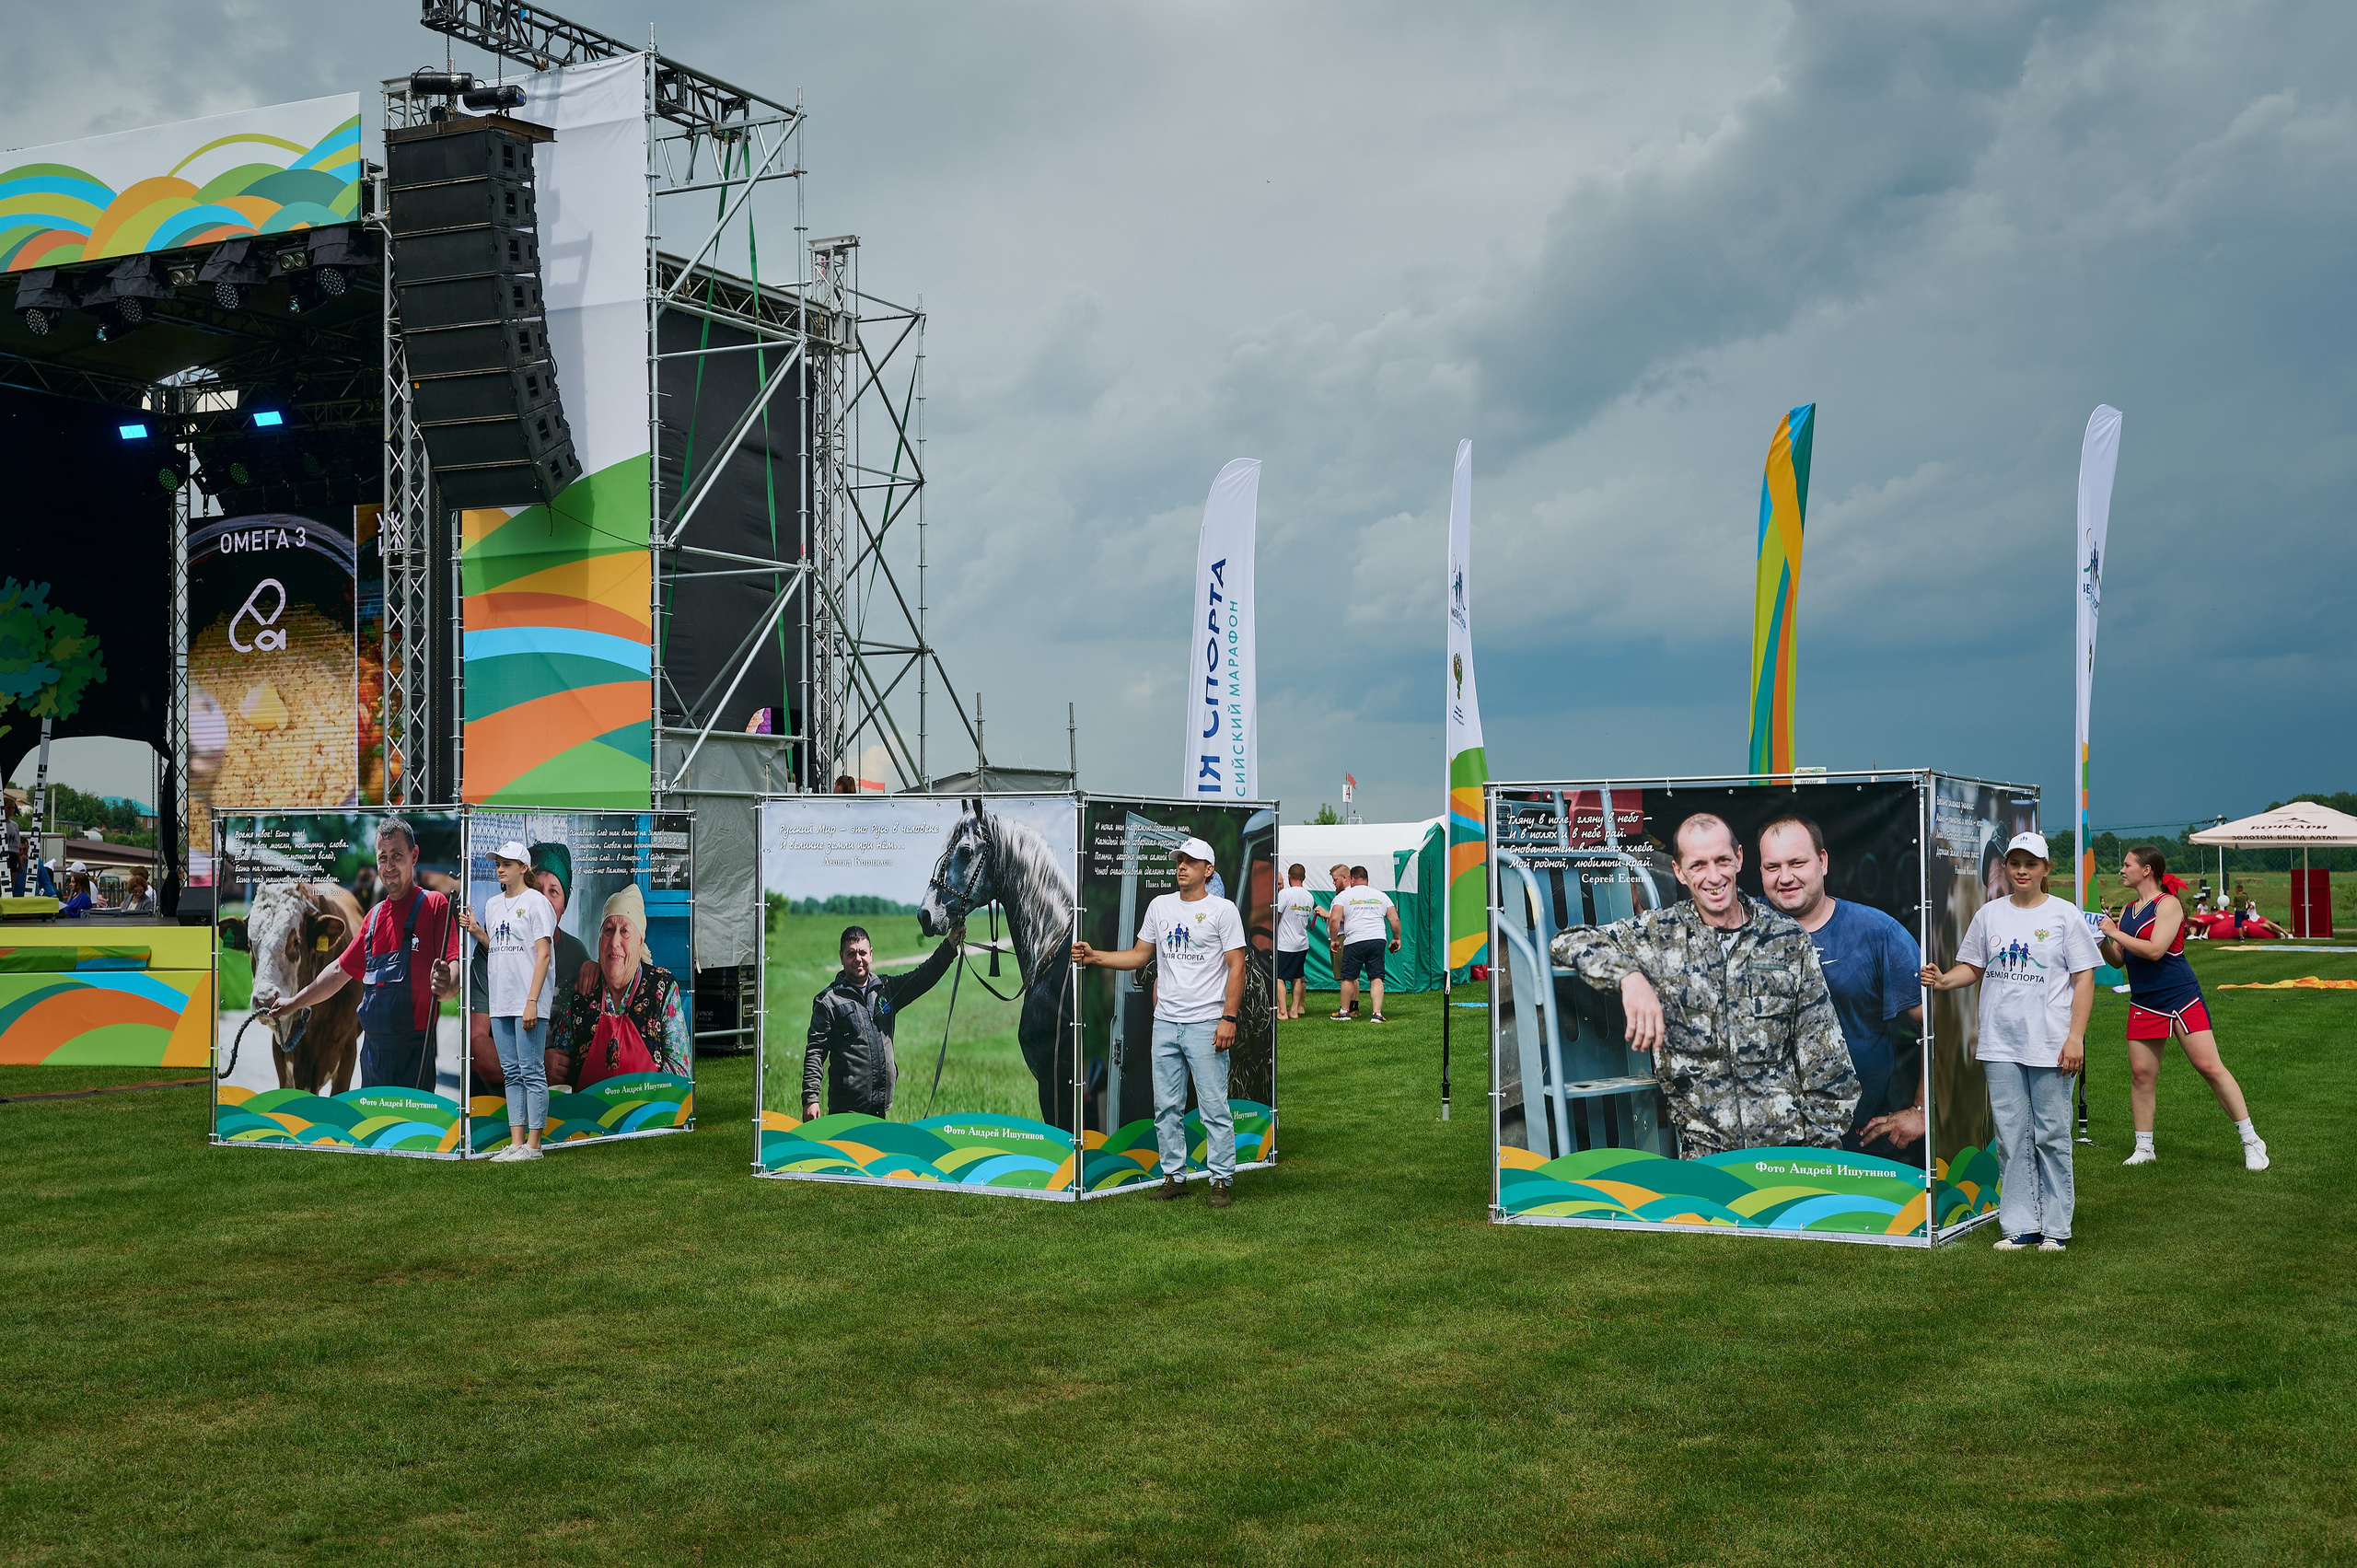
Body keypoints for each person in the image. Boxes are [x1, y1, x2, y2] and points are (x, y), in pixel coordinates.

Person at [1555, 814, 1856, 1156]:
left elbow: (1829, 1069)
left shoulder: (1787, 940)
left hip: (1786, 1156)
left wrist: (1815, 1157)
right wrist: (1629, 978)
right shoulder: (1660, 935)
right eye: (1698, 865)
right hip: (1705, 1163)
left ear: (1739, 859)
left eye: (1722, 861)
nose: (1714, 877)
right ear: (1679, 872)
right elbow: (1570, 940)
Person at [1922, 831, 2099, 1253]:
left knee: (2052, 1135)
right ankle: (2020, 1224)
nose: (2021, 871)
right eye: (2014, 864)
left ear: (2045, 869)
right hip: (2000, 1045)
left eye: (2031, 864)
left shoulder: (2064, 915)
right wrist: (1945, 980)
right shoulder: (1989, 915)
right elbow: (1973, 966)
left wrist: (2076, 1037)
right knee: (2011, 1136)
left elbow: (2085, 978)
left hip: (2052, 1045)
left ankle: (2056, 1227)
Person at [1074, 837, 1247, 1207]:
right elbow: (1139, 956)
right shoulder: (1159, 906)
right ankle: (1174, 1176)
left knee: (1214, 1106)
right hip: (1166, 1023)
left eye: (1190, 861)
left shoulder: (1223, 910)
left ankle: (1221, 1180)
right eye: (1179, 860)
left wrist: (1228, 1018)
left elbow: (1237, 966)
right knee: (1166, 1106)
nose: (1181, 866)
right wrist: (1094, 957)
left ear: (1208, 870)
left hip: (1206, 1023)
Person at [1755, 816, 1926, 1160]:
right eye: (1772, 866)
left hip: (1854, 1145)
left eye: (1797, 863)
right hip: (1762, 1144)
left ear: (1822, 861)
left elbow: (1940, 1023)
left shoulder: (1879, 933)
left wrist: (1921, 1111)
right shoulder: (1738, 931)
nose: (1785, 877)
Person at [256, 818, 460, 1091]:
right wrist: (293, 1003)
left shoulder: (435, 905)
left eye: (397, 856)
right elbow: (339, 972)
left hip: (415, 1054)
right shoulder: (373, 919)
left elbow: (453, 972)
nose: (389, 866)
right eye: (383, 857)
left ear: (414, 856)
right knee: (371, 1131)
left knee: (410, 1133)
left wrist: (447, 983)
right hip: (373, 1056)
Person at [2098, 846, 2268, 1171]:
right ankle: (2144, 1147)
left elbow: (2155, 950)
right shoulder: (2130, 909)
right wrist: (2103, 941)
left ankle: (2251, 1141)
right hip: (2145, 1000)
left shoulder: (2170, 904)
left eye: (2127, 864)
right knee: (2141, 1075)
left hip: (2180, 996)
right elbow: (2120, 958)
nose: (2122, 870)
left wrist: (2114, 932)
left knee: (2209, 1067)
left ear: (2147, 870)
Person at [801, 917, 963, 1121]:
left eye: (862, 953)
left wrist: (949, 946)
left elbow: (923, 977)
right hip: (846, 1112)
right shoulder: (829, 1001)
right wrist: (810, 1097)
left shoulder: (886, 989)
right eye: (851, 954)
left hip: (880, 1108)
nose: (857, 959)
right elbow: (815, 1051)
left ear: (871, 954)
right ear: (842, 957)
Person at [456, 842, 558, 1162]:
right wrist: (475, 930)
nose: (500, 868)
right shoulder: (492, 906)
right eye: (498, 863)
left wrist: (532, 1001)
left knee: (531, 1070)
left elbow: (543, 954)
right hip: (500, 1001)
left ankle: (535, 1145)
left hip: (528, 1001)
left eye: (507, 863)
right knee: (512, 1072)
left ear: (523, 869)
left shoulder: (537, 903)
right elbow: (496, 945)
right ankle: (516, 1143)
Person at [551, 884, 692, 1093]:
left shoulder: (661, 989)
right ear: (599, 940)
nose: (614, 941)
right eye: (608, 930)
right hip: (590, 1120)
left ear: (640, 941)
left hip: (647, 1119)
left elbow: (680, 1074)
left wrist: (627, 1102)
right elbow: (561, 1074)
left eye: (625, 931)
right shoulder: (582, 995)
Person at [1329, 866, 1402, 1023]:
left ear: (1352, 879)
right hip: (1377, 939)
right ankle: (1376, 1013)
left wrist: (1334, 939)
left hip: (1355, 940)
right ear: (1367, 879)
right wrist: (1397, 938)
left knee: (1348, 977)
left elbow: (1334, 919)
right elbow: (1395, 920)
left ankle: (1344, 1011)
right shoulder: (1381, 896)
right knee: (1376, 978)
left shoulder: (1343, 896)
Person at [1271, 863, 1318, 1020]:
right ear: (1303, 878)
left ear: (1289, 876)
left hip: (1285, 944)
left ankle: (1283, 1012)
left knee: (1279, 977)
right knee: (1297, 977)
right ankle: (1294, 1010)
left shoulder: (1284, 894)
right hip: (1302, 943)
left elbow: (1276, 916)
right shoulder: (1309, 897)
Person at [1318, 863, 1353, 1016]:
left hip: (1342, 937)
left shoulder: (1347, 895)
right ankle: (1353, 1007)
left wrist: (1327, 914)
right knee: (1351, 975)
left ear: (1345, 878)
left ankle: (1346, 1008)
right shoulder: (1346, 895)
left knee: (1347, 975)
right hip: (1343, 936)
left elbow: (1348, 918)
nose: (1333, 883)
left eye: (1335, 879)